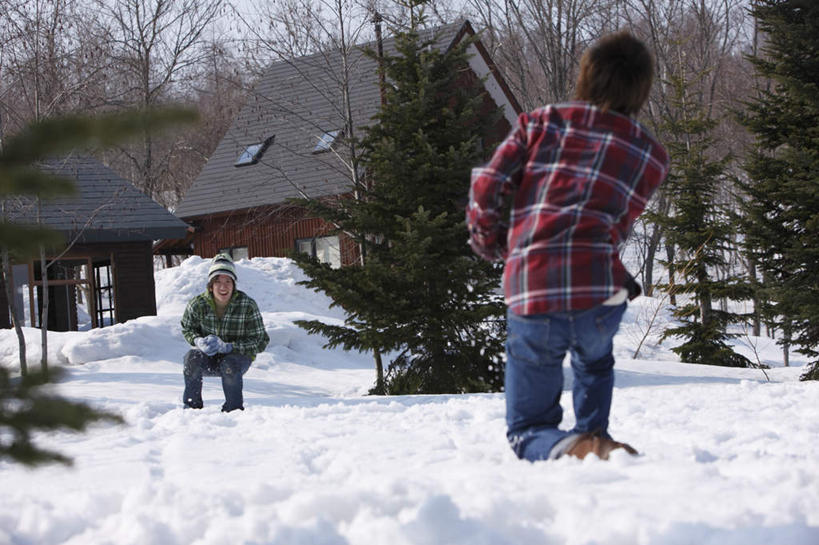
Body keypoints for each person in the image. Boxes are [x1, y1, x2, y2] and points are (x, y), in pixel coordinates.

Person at [467, 31, 669, 461]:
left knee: (527, 431)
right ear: (642, 88)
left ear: (586, 75)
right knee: (594, 362)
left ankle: (576, 448)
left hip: (534, 285)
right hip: (600, 291)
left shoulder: (539, 123)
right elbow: (620, 222)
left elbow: (488, 184)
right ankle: (596, 443)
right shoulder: (651, 154)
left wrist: (492, 244)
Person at [181, 253, 270, 412]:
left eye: (228, 281)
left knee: (229, 364)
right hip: (209, 358)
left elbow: (260, 340)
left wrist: (230, 347)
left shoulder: (247, 305)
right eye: (218, 281)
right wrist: (198, 341)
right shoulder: (197, 304)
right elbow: (187, 328)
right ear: (210, 285)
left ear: (234, 284)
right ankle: (192, 408)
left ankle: (233, 410)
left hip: (238, 358)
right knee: (191, 358)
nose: (223, 287)